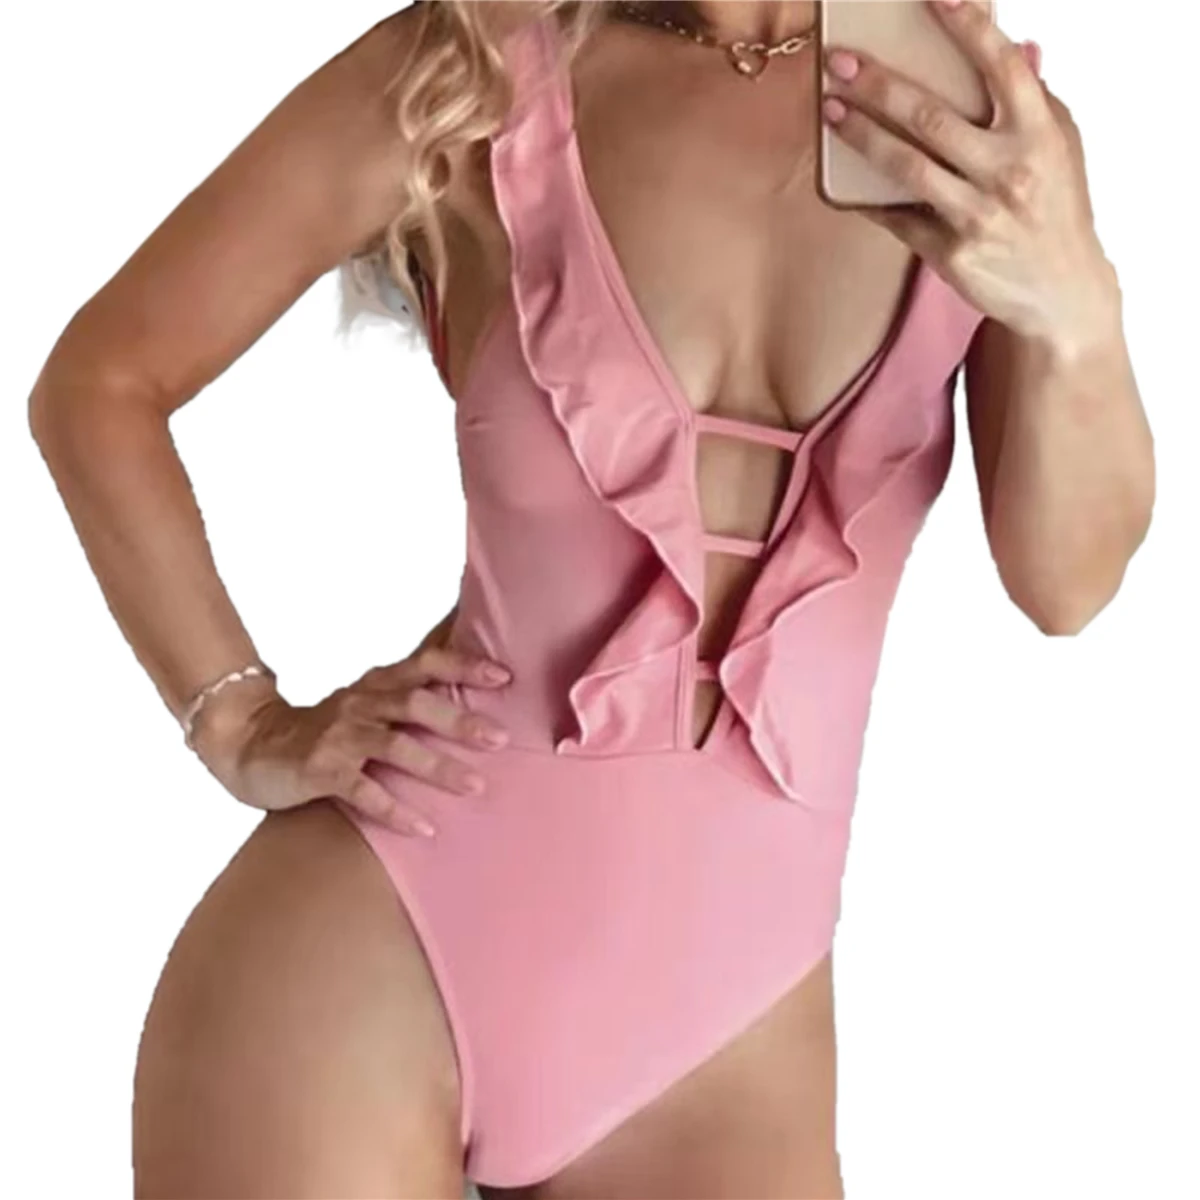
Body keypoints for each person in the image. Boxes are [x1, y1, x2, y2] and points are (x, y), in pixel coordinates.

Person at [28, 1, 1154, 1196]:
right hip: (372, 970)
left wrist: (1078, 314)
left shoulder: (983, 130)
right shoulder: (470, 67)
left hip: (732, 1048)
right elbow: (99, 383)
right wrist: (240, 721)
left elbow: (1066, 584)